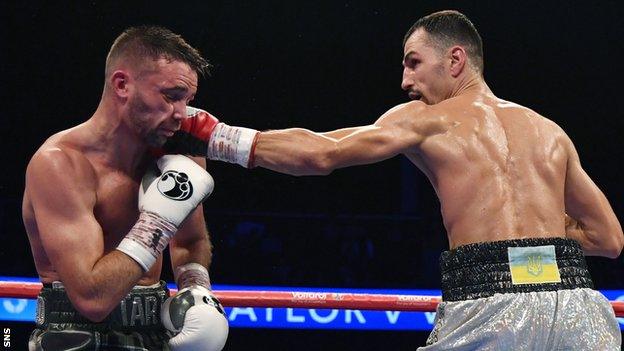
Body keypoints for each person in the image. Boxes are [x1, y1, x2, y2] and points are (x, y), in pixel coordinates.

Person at [165, 10, 623, 349]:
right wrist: (532, 240)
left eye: (414, 62)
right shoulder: (550, 131)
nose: (405, 80)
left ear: (456, 59)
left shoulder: (427, 120)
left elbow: (325, 153)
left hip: (489, 306)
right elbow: (608, 238)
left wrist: (216, 136)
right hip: (579, 307)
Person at [22, 26, 228, 351]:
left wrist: (195, 290)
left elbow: (190, 241)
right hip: (76, 334)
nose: (181, 114)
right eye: (171, 96)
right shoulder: (60, 164)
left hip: (154, 330)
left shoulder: (175, 157)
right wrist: (158, 221)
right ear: (122, 85)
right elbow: (93, 298)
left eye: (188, 100)